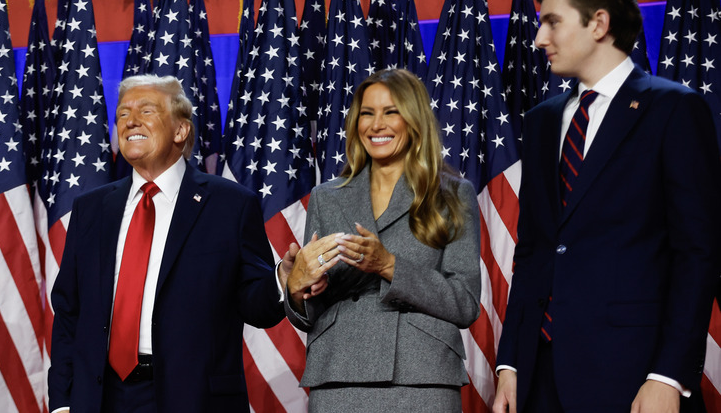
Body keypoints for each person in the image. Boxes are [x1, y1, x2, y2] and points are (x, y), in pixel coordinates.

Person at [492, 0, 721, 412]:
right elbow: (535, 251)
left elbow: (698, 254)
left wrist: (668, 376)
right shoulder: (541, 121)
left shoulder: (672, 108)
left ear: (598, 23)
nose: (539, 38)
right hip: (540, 374)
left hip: (634, 373)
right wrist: (511, 364)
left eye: (553, 22)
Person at [48, 75, 286, 412]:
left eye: (147, 111)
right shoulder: (90, 209)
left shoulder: (229, 205)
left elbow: (255, 304)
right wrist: (62, 401)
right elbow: (69, 314)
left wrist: (282, 281)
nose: (130, 121)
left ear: (180, 130)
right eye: (122, 114)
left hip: (192, 399)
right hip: (100, 399)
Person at [282, 68, 482, 411]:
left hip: (422, 377)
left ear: (414, 119)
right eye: (367, 113)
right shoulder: (327, 197)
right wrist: (297, 290)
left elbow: (464, 303)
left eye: (391, 112)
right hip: (338, 375)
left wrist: (389, 266)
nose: (377, 125)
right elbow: (310, 311)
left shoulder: (452, 195)